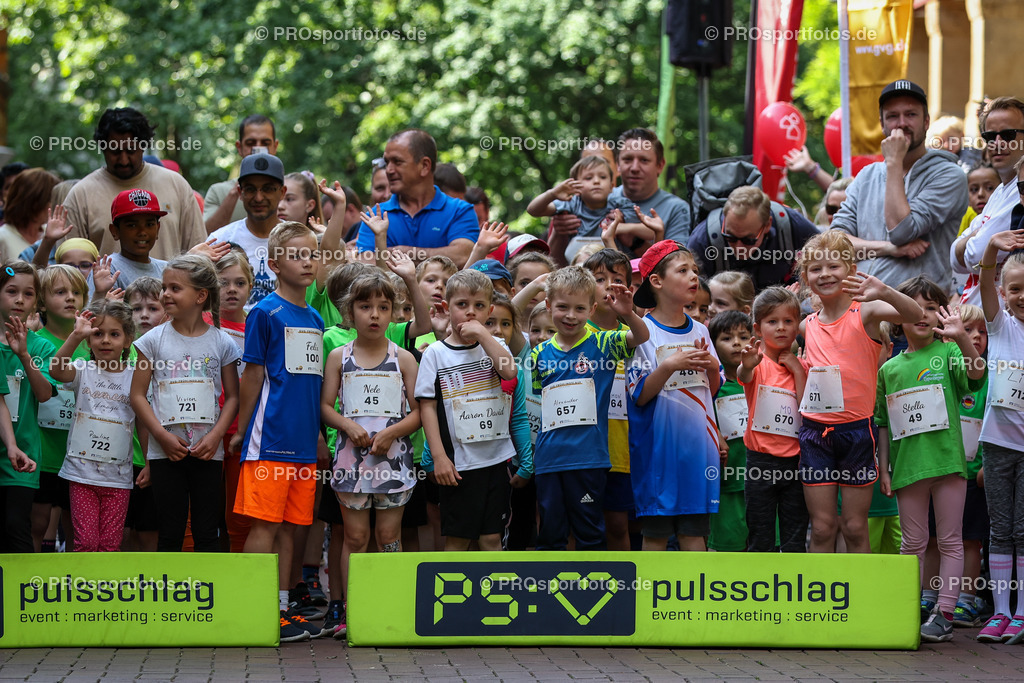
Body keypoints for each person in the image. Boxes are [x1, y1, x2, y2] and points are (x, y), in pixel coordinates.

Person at [797, 230, 922, 554]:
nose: (825, 274)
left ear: (851, 271)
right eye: (816, 269)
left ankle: (859, 586)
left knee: (854, 526)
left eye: (833, 266)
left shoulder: (866, 311)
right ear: (806, 278)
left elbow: (915, 315)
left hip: (856, 432)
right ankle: (818, 586)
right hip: (814, 432)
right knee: (822, 527)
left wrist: (885, 291)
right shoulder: (806, 325)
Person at [875, 277, 985, 643]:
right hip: (908, 469)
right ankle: (908, 610)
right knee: (912, 544)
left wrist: (962, 337)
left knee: (951, 540)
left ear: (942, 314)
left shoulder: (949, 352)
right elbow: (883, 423)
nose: (923, 315)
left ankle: (945, 613)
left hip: (949, 465)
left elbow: (975, 374)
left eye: (931, 307)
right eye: (914, 307)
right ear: (897, 315)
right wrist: (884, 467)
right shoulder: (889, 369)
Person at [230, 222, 325, 643]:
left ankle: (281, 611)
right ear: (273, 264)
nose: (307, 262)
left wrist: (318, 434)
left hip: (304, 444)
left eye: (312, 254)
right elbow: (252, 375)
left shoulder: (316, 318)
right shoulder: (263, 313)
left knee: (291, 529)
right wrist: (241, 428)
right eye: (296, 255)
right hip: (268, 441)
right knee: (264, 527)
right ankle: (255, 610)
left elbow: (313, 384)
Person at [321, 270, 420, 636]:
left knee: (389, 537)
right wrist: (347, 427)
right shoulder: (338, 356)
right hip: (351, 462)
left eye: (383, 307)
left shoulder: (404, 358)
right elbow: (325, 406)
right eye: (365, 307)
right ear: (350, 312)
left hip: (393, 463)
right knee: (355, 539)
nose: (375, 314)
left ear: (394, 312)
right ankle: (354, 612)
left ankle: (389, 608)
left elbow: (419, 412)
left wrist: (392, 432)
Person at [129, 255, 241, 553]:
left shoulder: (222, 342)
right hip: (165, 452)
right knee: (170, 532)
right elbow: (137, 395)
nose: (165, 294)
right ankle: (170, 585)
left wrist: (215, 436)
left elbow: (233, 396)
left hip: (208, 451)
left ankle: (207, 583)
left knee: (207, 532)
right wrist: (161, 437)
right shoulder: (152, 341)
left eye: (175, 288)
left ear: (200, 296)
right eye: (164, 287)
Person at [531, 266, 646, 551]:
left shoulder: (605, 343)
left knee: (590, 533)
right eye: (562, 307)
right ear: (548, 305)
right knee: (550, 534)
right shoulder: (538, 354)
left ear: (592, 309)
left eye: (580, 308)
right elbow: (536, 402)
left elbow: (641, 337)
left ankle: (592, 580)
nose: (571, 315)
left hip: (589, 458)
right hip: (548, 459)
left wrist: (628, 314)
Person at [627, 240, 723, 551]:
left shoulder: (701, 331)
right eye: (682, 270)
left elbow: (710, 390)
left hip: (698, 453)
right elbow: (640, 395)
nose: (694, 276)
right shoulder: (641, 332)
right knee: (655, 535)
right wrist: (669, 365)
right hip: (658, 454)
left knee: (694, 535)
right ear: (656, 281)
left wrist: (712, 367)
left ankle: (697, 587)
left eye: (695, 270)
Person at [830, 81, 967, 294]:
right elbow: (835, 244)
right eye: (893, 116)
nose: (902, 123)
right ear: (882, 124)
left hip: (916, 306)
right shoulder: (867, 175)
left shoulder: (949, 175)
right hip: (859, 304)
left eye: (911, 114)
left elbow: (901, 231)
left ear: (926, 122)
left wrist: (894, 162)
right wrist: (888, 249)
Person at [415, 269, 518, 551]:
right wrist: (439, 457)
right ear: (447, 308)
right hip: (458, 464)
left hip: (496, 460)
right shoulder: (435, 354)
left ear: (490, 311)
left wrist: (484, 335)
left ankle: (494, 582)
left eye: (479, 306)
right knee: (458, 539)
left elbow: (509, 372)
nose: (471, 312)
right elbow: (427, 407)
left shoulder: (495, 345)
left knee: (491, 539)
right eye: (462, 304)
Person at [63, 107, 206, 260]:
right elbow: (69, 266)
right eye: (115, 152)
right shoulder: (81, 195)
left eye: (131, 151)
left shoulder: (176, 185)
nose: (123, 160)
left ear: (143, 147)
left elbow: (198, 253)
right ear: (103, 149)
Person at [52, 300, 137, 552]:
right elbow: (56, 371)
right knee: (86, 543)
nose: (105, 340)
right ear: (89, 341)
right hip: (81, 475)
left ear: (128, 339)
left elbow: (142, 422)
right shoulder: (82, 369)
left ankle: (106, 580)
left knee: (110, 545)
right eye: (98, 334)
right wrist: (76, 335)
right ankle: (82, 579)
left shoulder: (135, 377)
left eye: (114, 334)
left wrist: (150, 463)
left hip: (118, 478)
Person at [975, 230, 1024, 643]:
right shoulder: (999, 326)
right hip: (998, 444)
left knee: (1023, 530)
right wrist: (992, 245)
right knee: (1000, 528)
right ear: (1004, 294)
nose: (1022, 296)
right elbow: (985, 278)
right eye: (1016, 289)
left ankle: (1021, 613)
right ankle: (1000, 613)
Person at [548, 129, 691, 263]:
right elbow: (552, 264)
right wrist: (559, 232)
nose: (634, 168)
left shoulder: (676, 209)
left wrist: (634, 241)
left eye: (644, 160)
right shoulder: (592, 198)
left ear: (660, 165)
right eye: (627, 159)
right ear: (618, 165)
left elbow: (678, 265)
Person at [738, 287, 809, 553]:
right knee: (760, 533)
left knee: (795, 535)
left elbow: (807, 408)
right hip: (760, 460)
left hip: (796, 460)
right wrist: (746, 365)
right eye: (772, 321)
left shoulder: (804, 365)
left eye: (788, 321)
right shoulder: (755, 362)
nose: (781, 327)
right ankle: (759, 577)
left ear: (798, 325)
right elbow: (744, 375)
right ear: (758, 328)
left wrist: (797, 370)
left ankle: (794, 578)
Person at [581, 249, 639, 550]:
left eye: (617, 279)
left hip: (622, 449)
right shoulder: (574, 332)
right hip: (583, 449)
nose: (609, 286)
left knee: (619, 525)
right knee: (580, 522)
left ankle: (624, 578)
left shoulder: (634, 335)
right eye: (600, 279)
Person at [355, 130, 479, 267]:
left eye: (397, 162)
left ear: (425, 166)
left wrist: (400, 252)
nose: (389, 170)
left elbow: (463, 256)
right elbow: (366, 265)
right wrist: (440, 256)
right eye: (387, 162)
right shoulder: (374, 216)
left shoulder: (460, 211)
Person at [0, 261, 57, 552]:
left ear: (37, 301)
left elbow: (45, 393)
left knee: (16, 528)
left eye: (28, 293)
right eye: (11, 291)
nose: (20, 300)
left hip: (22, 455)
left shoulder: (41, 346)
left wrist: (24, 355)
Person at [31, 265, 89, 553]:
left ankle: (74, 578)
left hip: (81, 456)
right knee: (36, 523)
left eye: (77, 292)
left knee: (77, 528)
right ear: (41, 302)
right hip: (43, 451)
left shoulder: (93, 345)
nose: (70, 298)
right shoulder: (32, 342)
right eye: (60, 292)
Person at [954, 98, 1024, 305]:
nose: (997, 143)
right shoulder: (999, 191)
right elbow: (955, 261)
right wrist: (977, 237)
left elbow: (976, 256)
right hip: (979, 319)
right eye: (990, 136)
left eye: (1008, 135)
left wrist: (973, 238)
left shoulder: (1019, 192)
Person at [687, 186, 819, 289]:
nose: (739, 247)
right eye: (730, 237)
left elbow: (826, 256)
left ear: (767, 225)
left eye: (748, 240)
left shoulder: (792, 226)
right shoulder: (703, 241)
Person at [209, 250, 253, 553]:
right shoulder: (200, 323)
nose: (232, 290)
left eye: (240, 283)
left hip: (243, 431)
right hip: (203, 430)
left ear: (251, 286)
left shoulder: (257, 326)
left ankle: (239, 569)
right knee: (201, 511)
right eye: (223, 283)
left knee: (239, 514)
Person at [209, 153, 286, 310]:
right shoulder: (220, 240)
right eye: (250, 189)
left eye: (267, 189)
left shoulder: (298, 239)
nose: (258, 198)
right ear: (240, 192)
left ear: (282, 192)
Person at [527, 156, 628, 264]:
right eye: (588, 178)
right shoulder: (571, 203)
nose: (596, 181)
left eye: (603, 177)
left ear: (612, 186)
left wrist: (622, 225)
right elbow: (533, 210)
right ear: (575, 186)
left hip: (608, 264)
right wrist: (552, 194)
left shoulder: (618, 205)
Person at [708, 310, 753, 552]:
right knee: (728, 553)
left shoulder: (764, 381)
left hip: (767, 482)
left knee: (766, 553)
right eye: (727, 338)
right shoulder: (710, 388)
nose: (737, 343)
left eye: (744, 337)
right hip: (727, 483)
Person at [87, 189, 170, 300]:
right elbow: (93, 309)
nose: (142, 232)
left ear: (158, 229)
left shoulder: (167, 269)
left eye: (149, 224)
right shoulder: (107, 269)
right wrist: (100, 296)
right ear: (115, 231)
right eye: (132, 225)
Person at [205, 115, 279, 232]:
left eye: (265, 143)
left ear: (275, 146)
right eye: (251, 143)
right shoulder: (218, 192)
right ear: (239, 147)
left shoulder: (291, 190)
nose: (258, 148)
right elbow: (207, 235)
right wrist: (236, 192)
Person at [0, 169, 60, 263]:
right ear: (35, 202)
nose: (56, 205)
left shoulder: (52, 233)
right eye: (51, 200)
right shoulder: (3, 237)